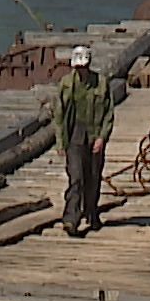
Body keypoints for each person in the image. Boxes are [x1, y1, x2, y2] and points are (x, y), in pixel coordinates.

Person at [53, 45, 113, 236]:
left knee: (93, 177)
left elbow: (109, 114)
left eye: (83, 67)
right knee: (76, 178)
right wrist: (61, 142)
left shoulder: (101, 83)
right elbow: (59, 116)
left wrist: (102, 138)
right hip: (75, 136)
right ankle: (71, 218)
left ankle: (91, 212)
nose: (80, 71)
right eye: (77, 68)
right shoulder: (66, 84)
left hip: (94, 134)